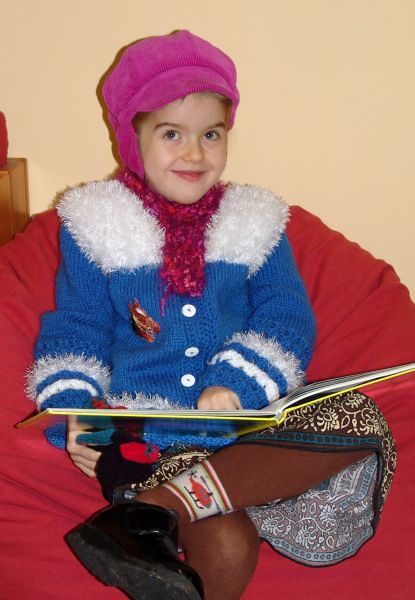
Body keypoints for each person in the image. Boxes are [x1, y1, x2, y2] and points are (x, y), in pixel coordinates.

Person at [27, 30, 395, 600]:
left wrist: (234, 384)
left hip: (245, 434)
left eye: (211, 134)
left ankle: (144, 518)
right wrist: (78, 414)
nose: (195, 154)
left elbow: (285, 316)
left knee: (358, 417)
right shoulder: (96, 225)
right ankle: (155, 509)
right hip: (147, 437)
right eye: (171, 134)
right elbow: (76, 328)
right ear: (132, 139)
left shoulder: (255, 221)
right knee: (226, 540)